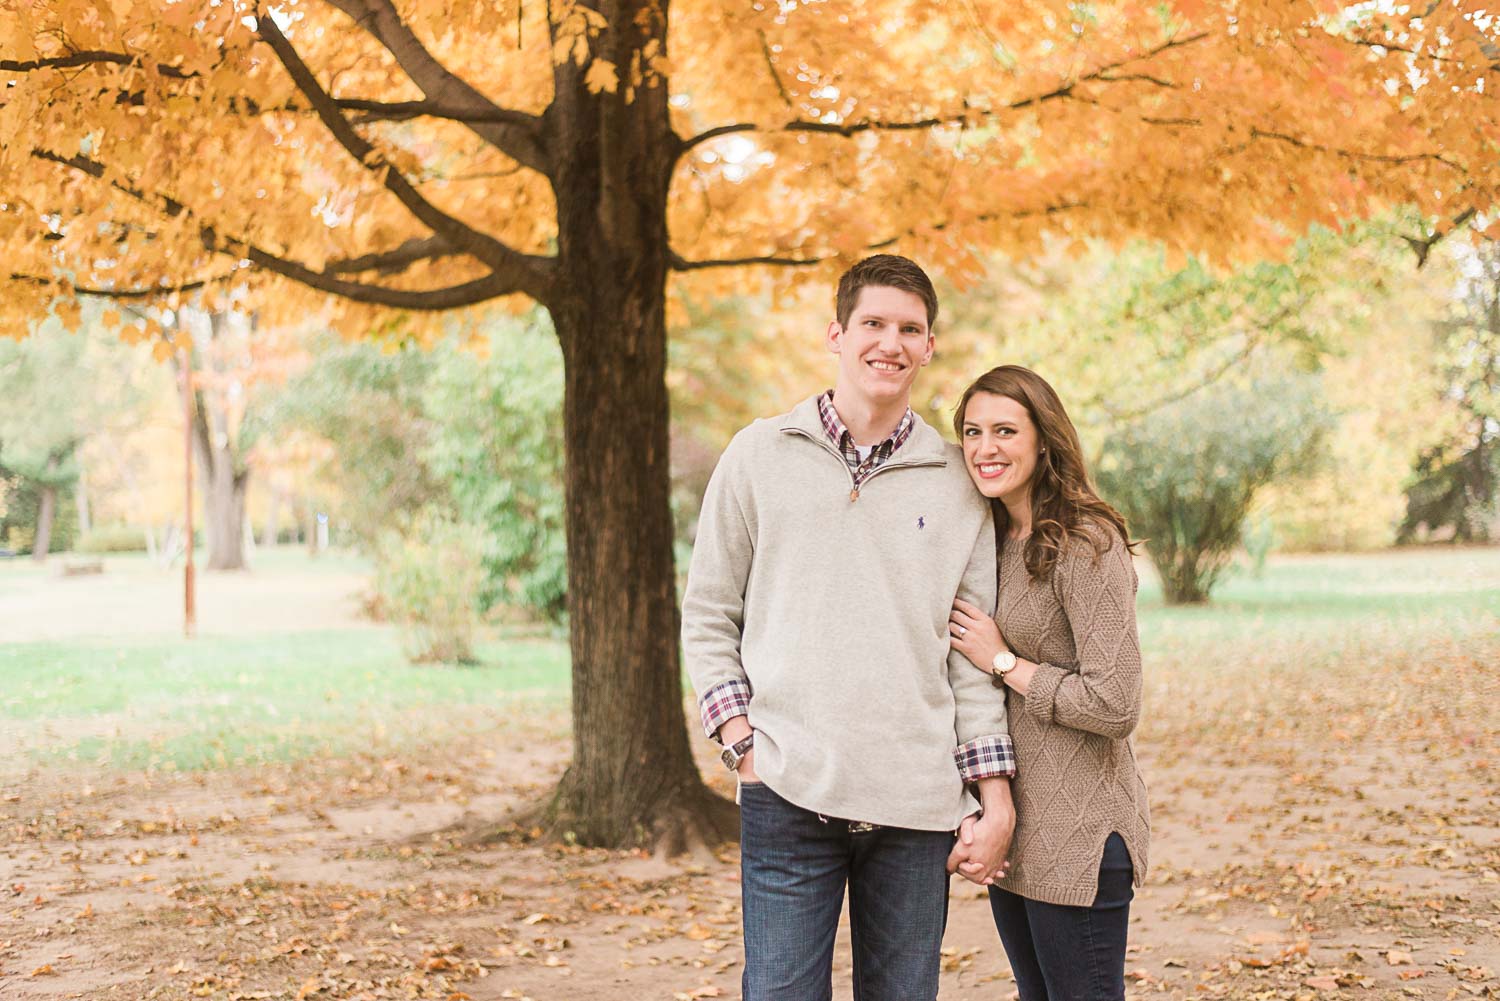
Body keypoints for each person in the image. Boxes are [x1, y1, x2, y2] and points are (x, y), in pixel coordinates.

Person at [681, 255, 1016, 1001]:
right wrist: (742, 746)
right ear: (836, 332)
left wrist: (993, 792)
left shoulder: (959, 481)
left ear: (930, 347)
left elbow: (971, 658)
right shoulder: (759, 455)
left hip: (915, 803)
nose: (889, 343)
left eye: (910, 328)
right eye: (873, 323)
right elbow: (708, 613)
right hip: (787, 788)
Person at [946, 364, 1150, 1001]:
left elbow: (1115, 701)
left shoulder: (1086, 542)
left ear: (1044, 440)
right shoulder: (995, 538)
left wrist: (1005, 662)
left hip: (1082, 831)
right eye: (973, 431)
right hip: (1020, 833)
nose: (986, 448)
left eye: (1005, 430)